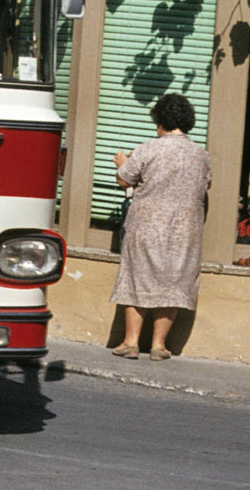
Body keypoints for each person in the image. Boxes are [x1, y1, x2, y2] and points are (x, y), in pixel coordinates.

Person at [109, 93, 212, 361]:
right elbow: (204, 186)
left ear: (161, 121)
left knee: (136, 277)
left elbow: (125, 180)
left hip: (146, 226)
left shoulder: (148, 148)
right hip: (184, 231)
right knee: (174, 282)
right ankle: (159, 345)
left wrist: (122, 164)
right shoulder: (201, 156)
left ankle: (130, 342)